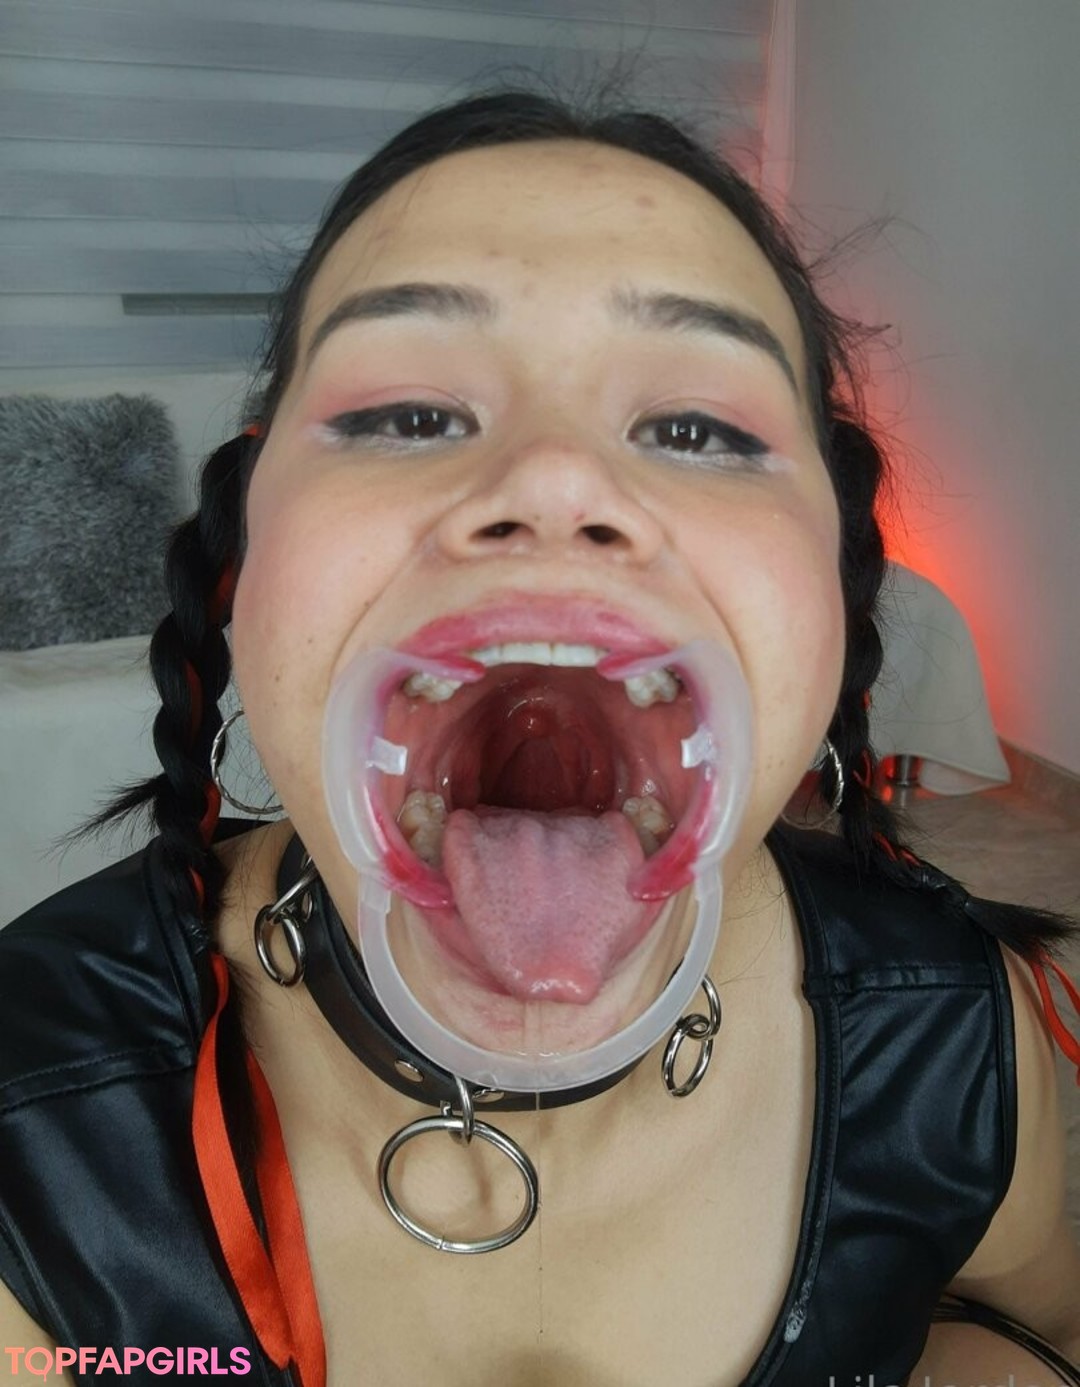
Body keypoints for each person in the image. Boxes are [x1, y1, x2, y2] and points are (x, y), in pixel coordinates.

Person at [1, 88, 1078, 1386]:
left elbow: (1026, 1326)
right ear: (246, 547)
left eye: (697, 428)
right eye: (407, 415)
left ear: (836, 576)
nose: (556, 481)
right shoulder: (34, 1106)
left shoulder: (950, 1033)